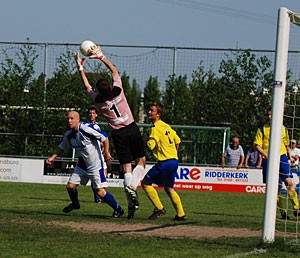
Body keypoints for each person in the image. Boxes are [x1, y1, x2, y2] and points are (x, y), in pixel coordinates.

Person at [74, 46, 146, 219]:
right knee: (141, 161)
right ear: (110, 86)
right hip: (131, 128)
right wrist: (101, 57)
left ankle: (130, 202)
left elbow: (87, 86)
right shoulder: (119, 91)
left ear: (100, 91)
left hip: (118, 134)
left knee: (126, 167)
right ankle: (133, 188)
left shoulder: (98, 101)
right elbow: (114, 70)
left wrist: (81, 68)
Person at [45, 111, 124, 218]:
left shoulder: (85, 129)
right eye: (68, 118)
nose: (69, 121)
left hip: (95, 165)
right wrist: (52, 157)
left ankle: (118, 209)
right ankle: (75, 204)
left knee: (100, 192)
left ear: (78, 120)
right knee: (70, 186)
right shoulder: (68, 134)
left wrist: (106, 152)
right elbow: (62, 146)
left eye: (72, 118)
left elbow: (104, 137)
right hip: (82, 164)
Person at [141, 102, 186, 221]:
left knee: (145, 183)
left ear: (158, 114)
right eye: (149, 110)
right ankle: (181, 214)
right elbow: (177, 141)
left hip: (164, 162)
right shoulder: (167, 126)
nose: (149, 112)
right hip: (174, 161)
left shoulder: (155, 128)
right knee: (169, 188)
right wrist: (174, 154)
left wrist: (145, 141)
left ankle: (159, 208)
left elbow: (151, 145)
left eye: (152, 111)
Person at [254, 109, 300, 220]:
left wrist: (289, 157)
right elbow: (256, 145)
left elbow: (286, 144)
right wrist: (266, 155)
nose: (270, 117)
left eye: (272, 115)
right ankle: (283, 213)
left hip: (282, 157)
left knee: (290, 183)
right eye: (268, 115)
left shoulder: (283, 129)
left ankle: (296, 208)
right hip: (268, 159)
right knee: (275, 189)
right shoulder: (262, 129)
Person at [83, 107, 108, 204]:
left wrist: (102, 146)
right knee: (95, 177)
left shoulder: (97, 126)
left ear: (96, 115)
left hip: (99, 155)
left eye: (93, 113)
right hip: (91, 156)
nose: (91, 115)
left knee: (103, 176)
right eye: (90, 113)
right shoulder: (85, 126)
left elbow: (99, 138)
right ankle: (97, 197)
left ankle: (102, 196)